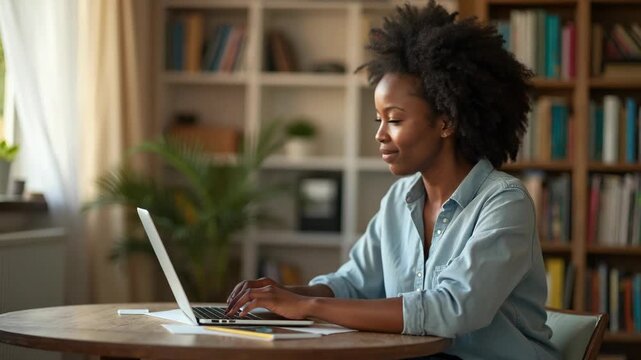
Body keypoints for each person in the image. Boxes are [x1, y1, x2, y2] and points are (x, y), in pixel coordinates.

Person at [226, 1, 559, 359]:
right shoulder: (399, 199)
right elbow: (353, 284)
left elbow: (453, 308)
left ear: (446, 122)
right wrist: (279, 298)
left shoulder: (504, 202)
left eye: (395, 120)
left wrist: (307, 309)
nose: (380, 135)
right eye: (378, 121)